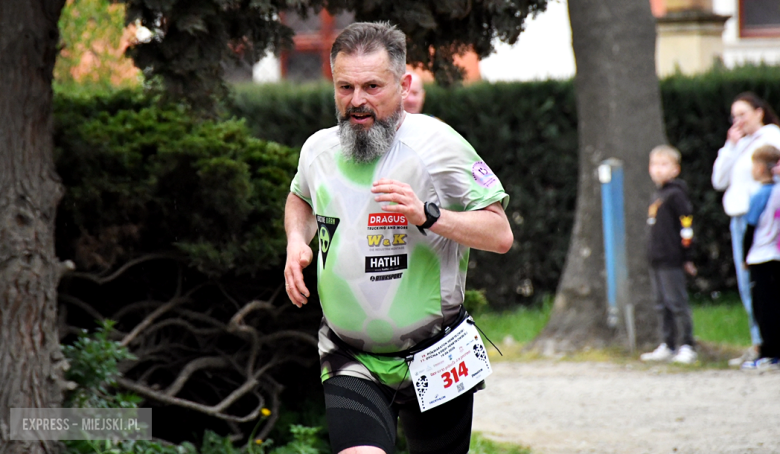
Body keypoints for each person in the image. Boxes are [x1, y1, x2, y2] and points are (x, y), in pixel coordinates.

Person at [283, 22, 513, 454]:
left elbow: (500, 234)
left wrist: (429, 216)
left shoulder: (438, 145)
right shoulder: (318, 149)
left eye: (372, 86)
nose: (357, 101)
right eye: (345, 86)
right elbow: (300, 200)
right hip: (350, 356)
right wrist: (297, 242)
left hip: (437, 352)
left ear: (404, 84)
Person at [711, 92, 780, 366]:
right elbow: (719, 180)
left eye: (743, 114)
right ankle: (758, 341)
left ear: (759, 112)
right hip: (738, 217)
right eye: (734, 116)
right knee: (746, 285)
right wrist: (730, 146)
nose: (738, 120)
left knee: (763, 286)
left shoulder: (771, 137)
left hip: (762, 219)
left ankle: (768, 344)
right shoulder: (739, 144)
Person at [640, 145, 698, 364]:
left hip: (673, 258)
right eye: (654, 164)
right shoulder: (657, 195)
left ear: (675, 169)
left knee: (677, 302)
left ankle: (687, 345)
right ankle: (668, 343)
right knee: (661, 303)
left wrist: (687, 254)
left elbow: (686, 225)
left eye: (664, 165)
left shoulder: (676, 195)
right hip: (657, 258)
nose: (658, 169)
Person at [739, 145, 780, 371]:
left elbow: (750, 228)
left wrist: (745, 256)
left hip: (761, 255)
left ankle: (769, 352)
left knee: (763, 308)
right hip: (776, 254)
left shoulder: (762, 194)